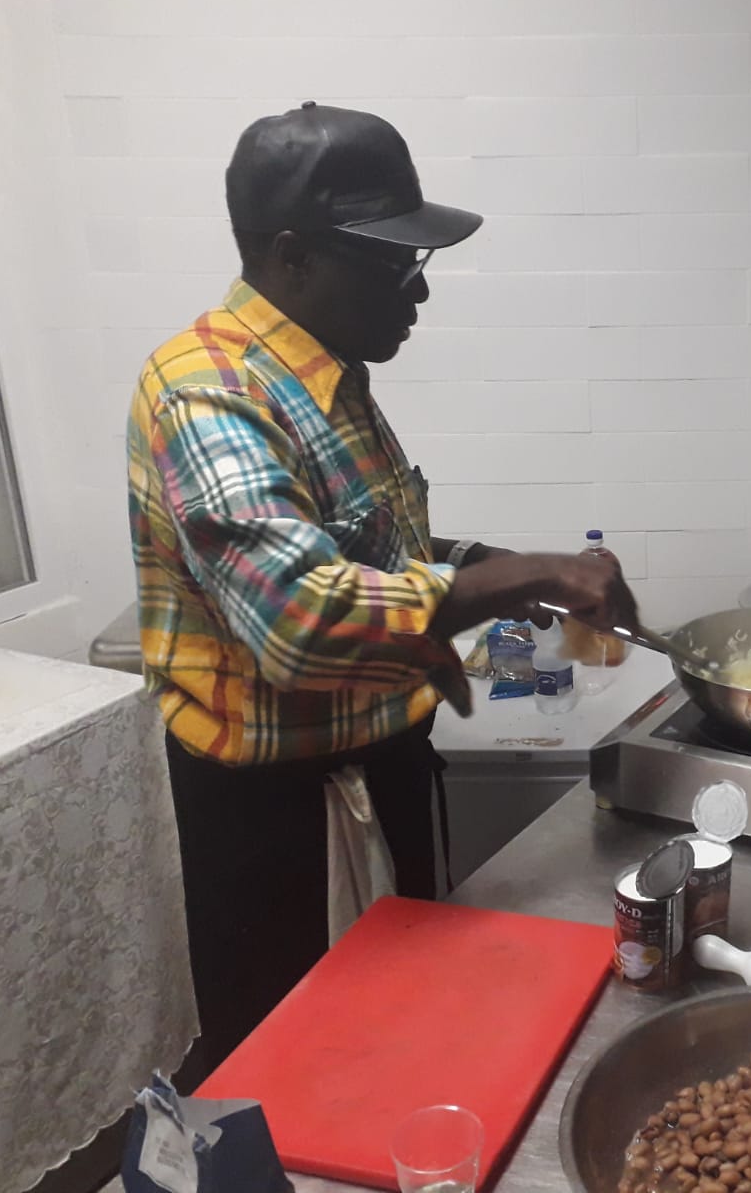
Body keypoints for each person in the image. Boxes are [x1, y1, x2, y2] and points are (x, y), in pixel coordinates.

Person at [126, 102, 639, 1076]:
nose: (419, 289)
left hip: (380, 770)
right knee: (299, 1080)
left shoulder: (324, 375)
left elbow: (361, 543)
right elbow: (300, 619)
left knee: (403, 1054)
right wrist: (524, 574)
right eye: (393, 262)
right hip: (280, 827)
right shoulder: (210, 392)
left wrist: (487, 563)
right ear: (293, 256)